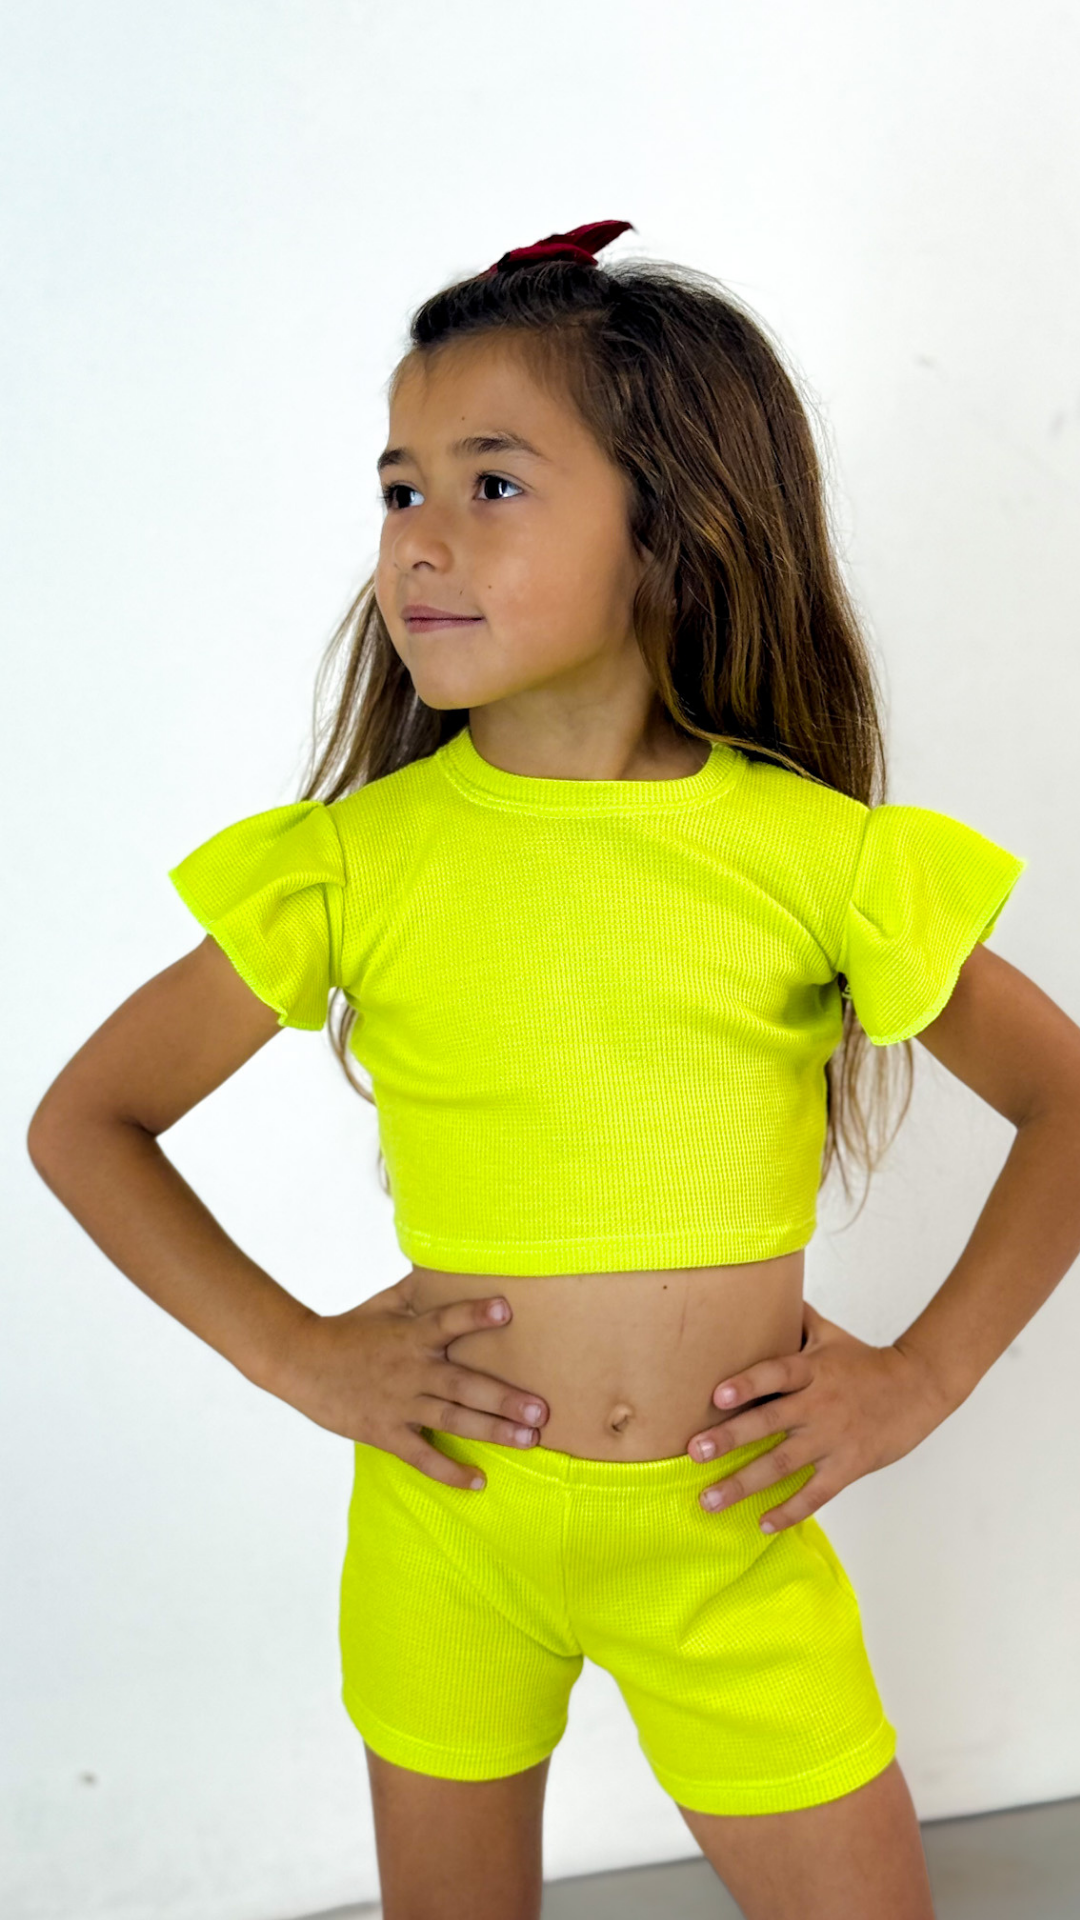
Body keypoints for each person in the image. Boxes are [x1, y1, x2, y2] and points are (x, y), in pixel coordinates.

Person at [26, 219, 1080, 1920]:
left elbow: (1068, 1100)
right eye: (399, 489)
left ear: (672, 530)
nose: (420, 540)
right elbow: (86, 1121)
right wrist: (299, 1357)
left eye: (493, 484)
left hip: (727, 1542)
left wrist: (927, 1377)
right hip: (449, 1535)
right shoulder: (352, 862)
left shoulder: (817, 856)